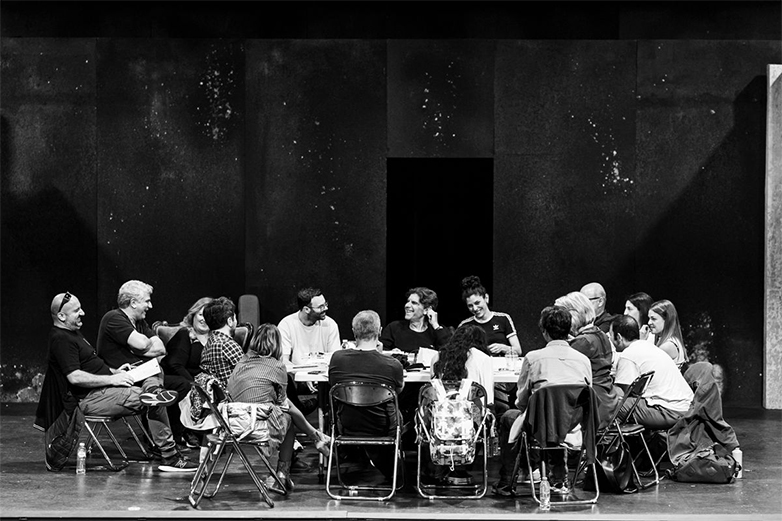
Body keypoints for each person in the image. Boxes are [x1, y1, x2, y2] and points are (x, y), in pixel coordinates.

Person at [46, 291, 197, 472]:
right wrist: (112, 378)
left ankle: (154, 390)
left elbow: (90, 366)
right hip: (91, 398)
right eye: (76, 310)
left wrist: (115, 371)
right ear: (61, 316)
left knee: (154, 369)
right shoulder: (61, 339)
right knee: (153, 400)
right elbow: (75, 377)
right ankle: (170, 456)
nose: (83, 313)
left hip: (106, 388)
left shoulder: (73, 334)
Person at [492, 305, 592, 497]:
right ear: (569, 330)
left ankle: (507, 483)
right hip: (573, 425)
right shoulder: (583, 360)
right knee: (555, 416)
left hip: (541, 425)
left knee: (509, 417)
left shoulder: (533, 358)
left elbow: (522, 401)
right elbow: (587, 396)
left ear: (544, 332)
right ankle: (559, 477)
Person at [226, 323, 330, 494]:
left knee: (287, 408)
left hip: (233, 425)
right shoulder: (277, 366)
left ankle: (316, 437)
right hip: (258, 425)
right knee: (288, 419)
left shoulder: (241, 363)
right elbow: (284, 405)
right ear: (277, 344)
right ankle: (282, 473)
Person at [329, 310, 405, 482]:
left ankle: (357, 457)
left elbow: (333, 386)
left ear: (353, 331)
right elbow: (397, 392)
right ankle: (393, 468)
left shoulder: (337, 359)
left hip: (347, 425)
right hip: (383, 426)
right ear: (380, 331)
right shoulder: (393, 364)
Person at [426, 323, 495, 485]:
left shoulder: (437, 357)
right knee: (488, 415)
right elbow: (488, 399)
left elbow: (433, 390)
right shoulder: (483, 359)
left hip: (439, 420)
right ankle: (461, 466)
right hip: (469, 421)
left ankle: (440, 466)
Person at [610, 315, 693, 430]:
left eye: (610, 336)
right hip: (687, 407)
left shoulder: (628, 355)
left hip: (671, 411)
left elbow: (622, 393)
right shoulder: (649, 347)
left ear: (619, 337)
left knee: (611, 404)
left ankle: (605, 440)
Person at [554, 291, 620, 429]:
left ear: (574, 314)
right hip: (607, 405)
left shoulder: (583, 342)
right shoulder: (601, 335)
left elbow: (558, 373)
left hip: (590, 411)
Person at [278, 287, 340, 416]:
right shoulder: (287, 324)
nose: (326, 308)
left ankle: (331, 421)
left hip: (324, 378)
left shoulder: (330, 324)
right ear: (307, 309)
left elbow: (335, 358)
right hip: (297, 379)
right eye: (321, 307)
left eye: (325, 304)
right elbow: (283, 360)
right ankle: (299, 412)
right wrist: (304, 374)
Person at [160, 297, 213, 449]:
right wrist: (196, 385)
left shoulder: (216, 338)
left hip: (206, 382)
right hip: (180, 379)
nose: (203, 319)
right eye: (201, 314)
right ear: (193, 315)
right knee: (190, 389)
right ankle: (186, 431)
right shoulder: (185, 335)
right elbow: (175, 364)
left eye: (208, 316)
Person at [380, 287, 451, 353]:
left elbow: (449, 353)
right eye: (408, 301)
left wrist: (435, 325)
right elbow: (380, 352)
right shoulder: (394, 328)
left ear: (426, 310)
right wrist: (391, 353)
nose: (407, 305)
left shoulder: (437, 332)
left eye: (414, 303)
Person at [199, 296, 243, 391]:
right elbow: (249, 376)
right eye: (235, 318)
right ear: (230, 321)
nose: (236, 322)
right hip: (236, 396)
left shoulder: (207, 345)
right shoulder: (227, 345)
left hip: (219, 397)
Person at [648, 299, 687, 368]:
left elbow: (646, 366)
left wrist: (640, 342)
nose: (649, 322)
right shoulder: (667, 340)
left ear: (666, 320)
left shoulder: (668, 346)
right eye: (649, 318)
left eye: (653, 319)